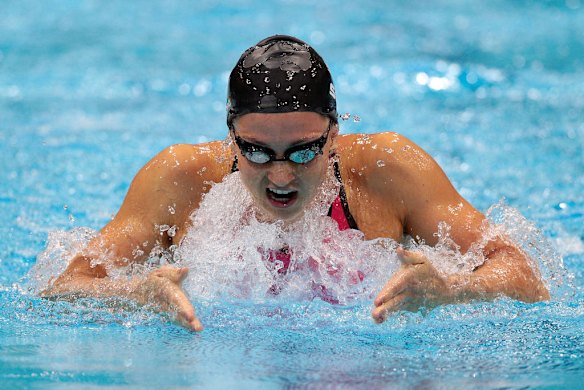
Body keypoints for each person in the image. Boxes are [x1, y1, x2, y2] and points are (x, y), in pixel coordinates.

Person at [43, 35, 549, 331]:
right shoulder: (178, 179)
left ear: (334, 136)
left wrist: (450, 291)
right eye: (256, 152)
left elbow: (526, 277)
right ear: (231, 136)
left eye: (304, 151)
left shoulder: (391, 169)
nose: (280, 176)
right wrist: (137, 295)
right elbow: (63, 288)